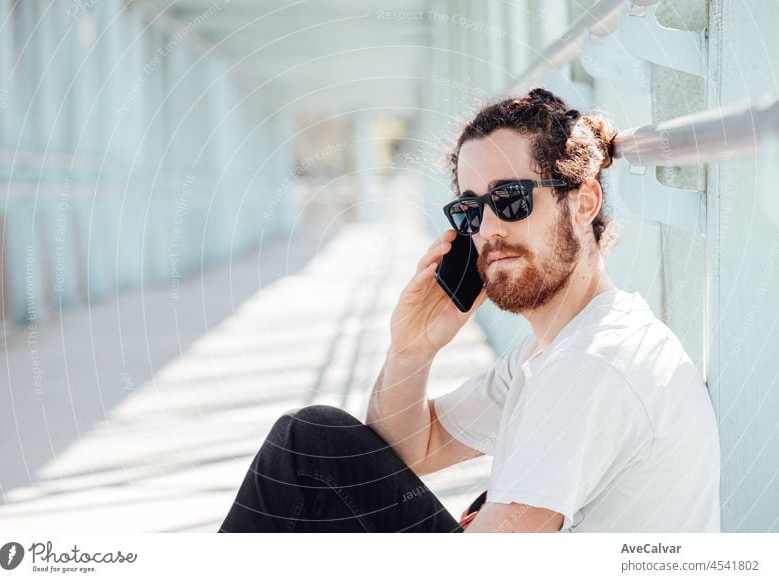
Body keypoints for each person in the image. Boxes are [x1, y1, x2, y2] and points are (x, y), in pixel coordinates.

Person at [217, 88, 721, 533]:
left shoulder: (593, 362)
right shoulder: (548, 351)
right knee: (318, 445)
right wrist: (411, 351)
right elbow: (413, 447)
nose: (489, 229)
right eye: (470, 208)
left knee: (309, 445)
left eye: (510, 198)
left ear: (584, 202)